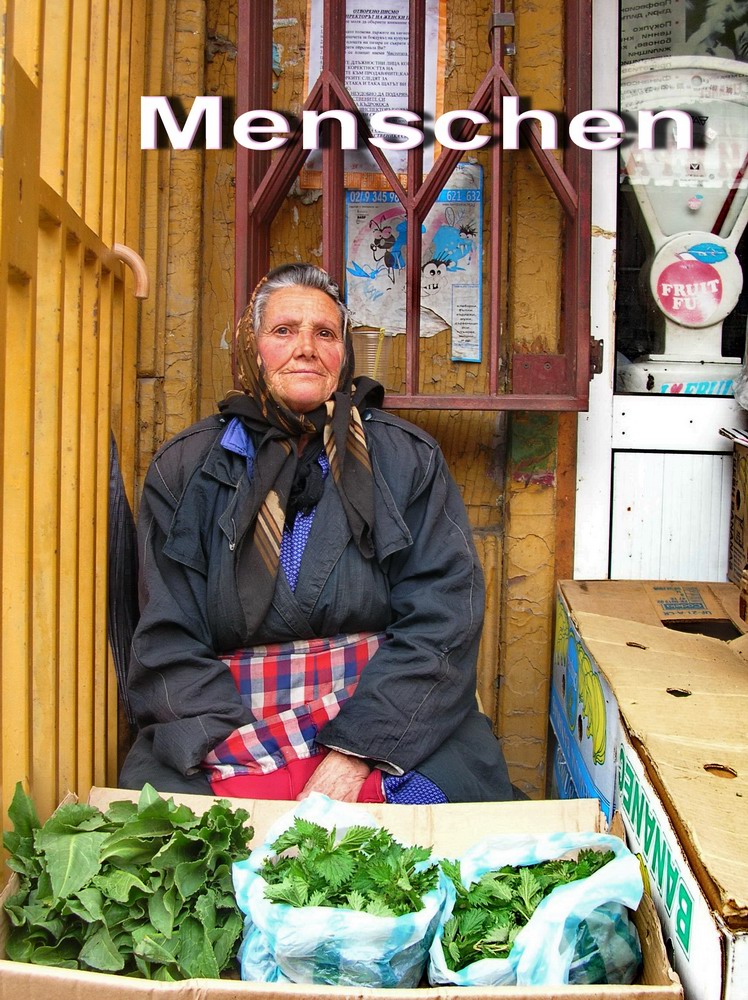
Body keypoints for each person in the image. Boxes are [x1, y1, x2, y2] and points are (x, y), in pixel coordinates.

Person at [119, 263, 515, 803]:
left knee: (427, 819)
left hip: (379, 715)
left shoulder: (404, 458)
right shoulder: (186, 468)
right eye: (283, 331)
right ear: (250, 348)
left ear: (344, 354)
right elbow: (165, 635)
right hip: (228, 720)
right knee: (179, 840)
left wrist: (355, 753)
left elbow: (443, 617)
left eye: (325, 334)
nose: (305, 348)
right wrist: (244, 751)